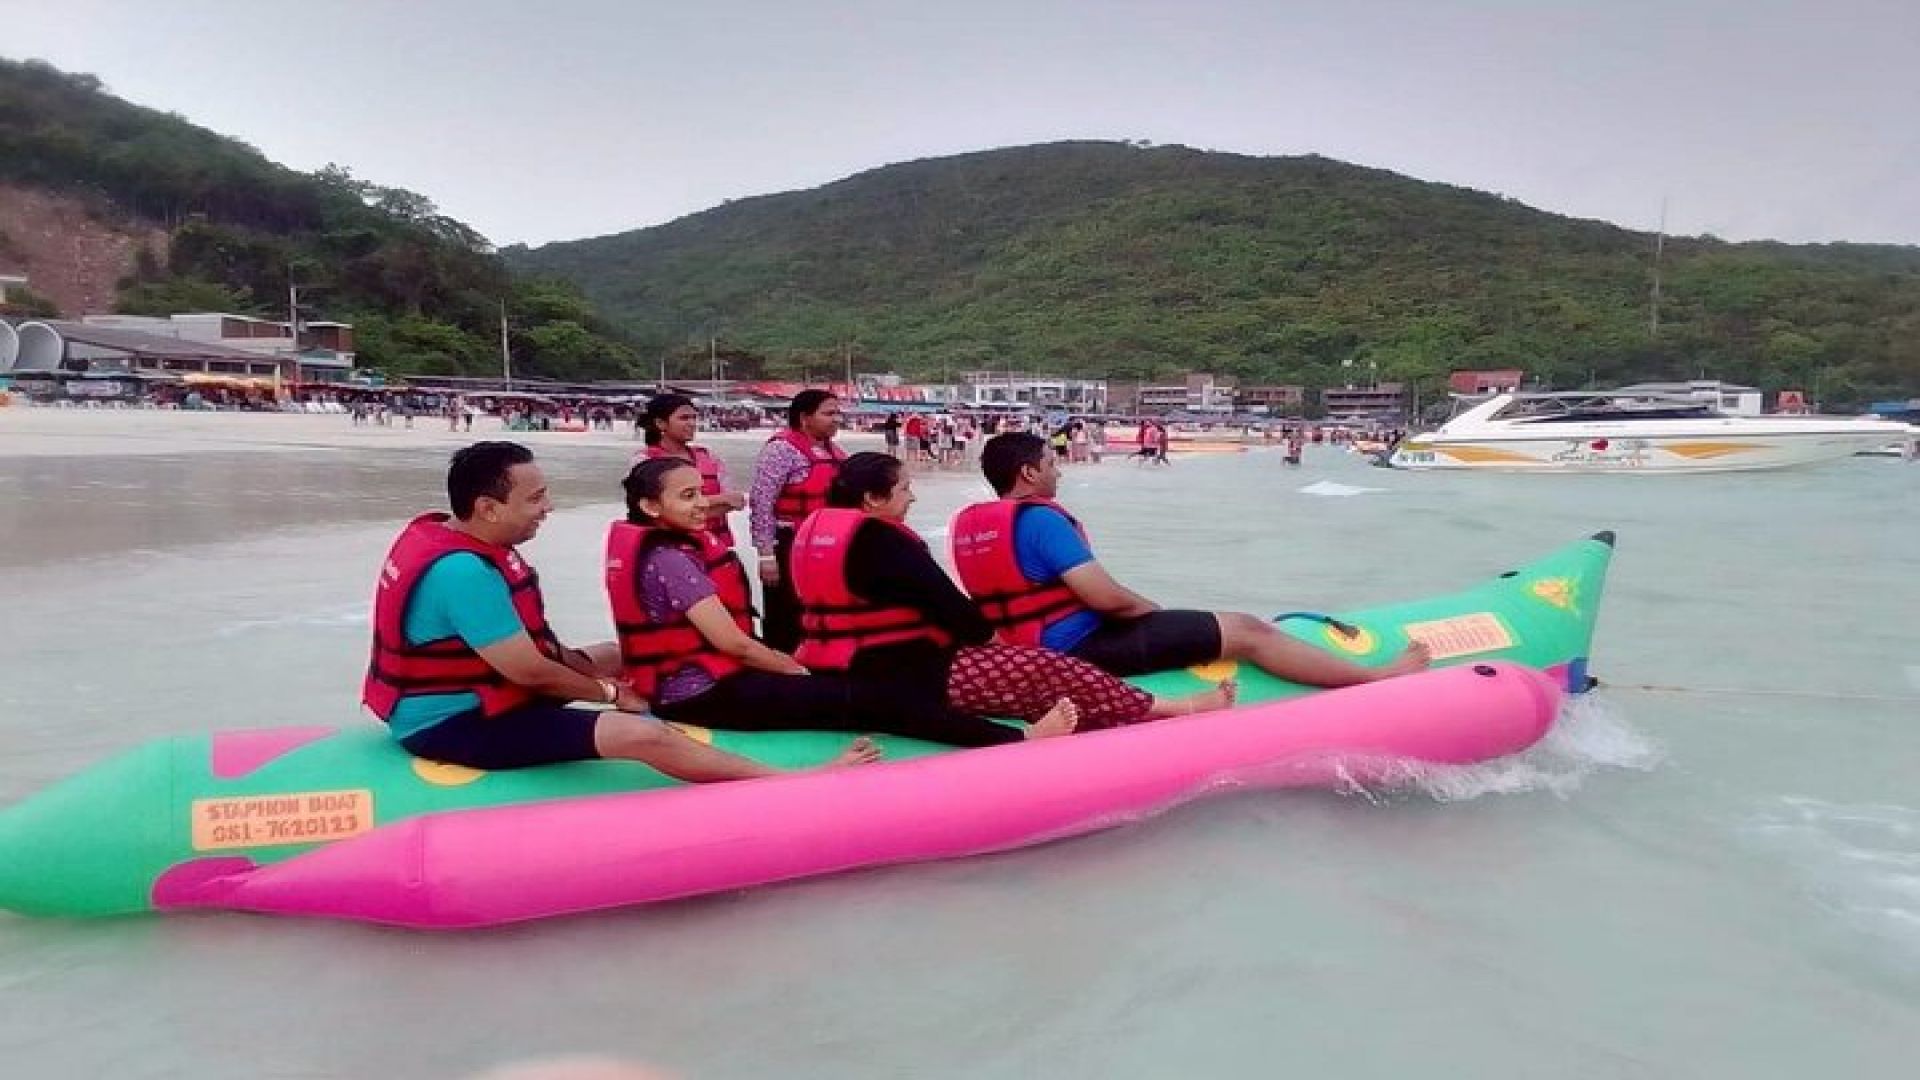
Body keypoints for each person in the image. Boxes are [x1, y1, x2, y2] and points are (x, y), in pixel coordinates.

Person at [362, 441, 866, 778]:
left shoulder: (457, 542)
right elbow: (529, 671)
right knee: (636, 732)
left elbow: (533, 656)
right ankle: (786, 780)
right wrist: (610, 695)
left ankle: (676, 701)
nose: (548, 507)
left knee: (618, 653)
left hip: (477, 689)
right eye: (535, 498)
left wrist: (609, 674)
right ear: (488, 508)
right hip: (456, 721)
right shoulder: (462, 572)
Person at [793, 453, 1233, 731]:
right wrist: (998, 647)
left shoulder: (814, 535)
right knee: (1047, 668)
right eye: (905, 489)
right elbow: (948, 606)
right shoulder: (882, 540)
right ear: (873, 498)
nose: (912, 499)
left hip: (835, 666)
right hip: (907, 671)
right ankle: (1173, 708)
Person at [950, 433, 1433, 684]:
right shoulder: (1040, 520)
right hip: (1081, 648)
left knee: (1202, 625)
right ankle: (1375, 675)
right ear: (1029, 472)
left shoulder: (970, 524)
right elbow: (1107, 599)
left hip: (1024, 650)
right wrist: (1156, 614)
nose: (1059, 473)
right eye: (1052, 464)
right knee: (1246, 628)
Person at [612, 457, 1028, 747]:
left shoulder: (662, 552)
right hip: (704, 694)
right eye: (687, 496)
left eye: (701, 492)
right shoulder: (670, 560)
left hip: (687, 688)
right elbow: (734, 645)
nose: (703, 503)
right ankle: (1015, 739)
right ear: (650, 506)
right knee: (880, 701)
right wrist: (798, 671)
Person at [748, 389, 848, 651]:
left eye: (838, 412)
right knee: (785, 611)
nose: (837, 419)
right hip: (789, 543)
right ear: (804, 418)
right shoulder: (781, 450)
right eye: (829, 413)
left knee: (820, 608)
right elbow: (762, 501)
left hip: (824, 546)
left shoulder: (835, 452)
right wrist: (766, 554)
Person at [635, 393, 747, 549]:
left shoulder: (709, 456)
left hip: (716, 545)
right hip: (670, 546)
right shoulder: (644, 461)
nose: (692, 423)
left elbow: (736, 501)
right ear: (661, 423)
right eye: (684, 418)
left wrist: (685, 508)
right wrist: (719, 500)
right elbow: (654, 509)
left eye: (694, 418)